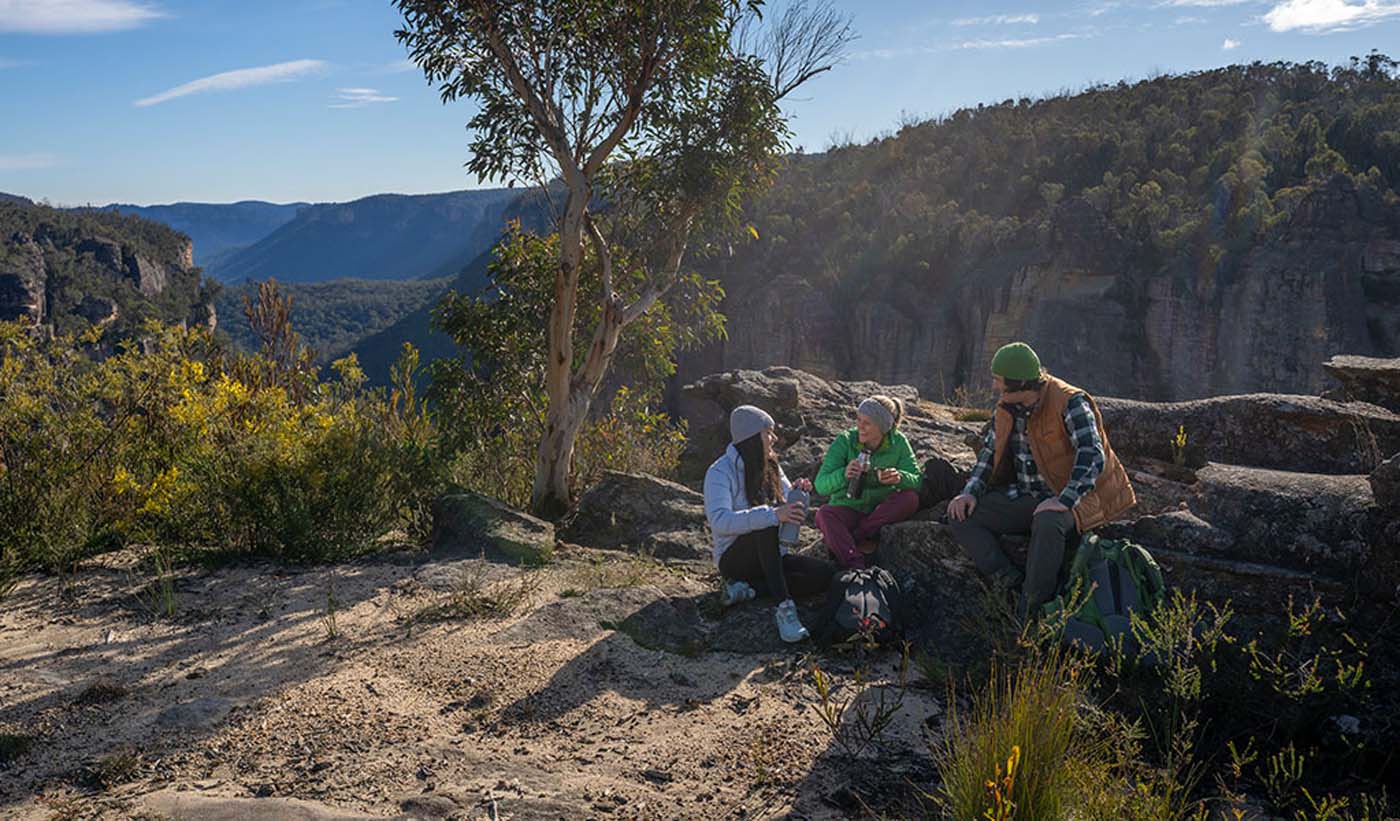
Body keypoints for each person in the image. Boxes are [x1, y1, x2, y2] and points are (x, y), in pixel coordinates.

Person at [946, 342, 1136, 616]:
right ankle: (1009, 585)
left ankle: (1032, 609)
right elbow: (989, 453)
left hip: (1077, 498)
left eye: (999, 380)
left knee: (1048, 522)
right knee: (960, 516)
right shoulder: (1007, 405)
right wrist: (970, 492)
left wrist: (1065, 499)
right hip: (1029, 495)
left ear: (1020, 384)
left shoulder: (1070, 401)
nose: (994, 386)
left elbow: (1092, 455)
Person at [704, 405, 834, 643]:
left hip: (772, 556)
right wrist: (772, 515)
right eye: (768, 433)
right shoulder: (719, 472)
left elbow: (785, 506)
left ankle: (748, 590)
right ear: (752, 437)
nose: (773, 438)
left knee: (824, 574)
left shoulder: (771, 465)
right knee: (766, 523)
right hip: (735, 560)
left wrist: (798, 493)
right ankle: (785, 609)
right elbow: (720, 521)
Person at [813, 395, 922, 569]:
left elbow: (917, 482)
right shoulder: (845, 440)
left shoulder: (899, 442)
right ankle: (855, 565)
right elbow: (820, 485)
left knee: (910, 498)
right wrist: (843, 474)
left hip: (880, 512)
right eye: (858, 420)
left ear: (883, 426)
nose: (860, 427)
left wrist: (899, 477)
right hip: (848, 508)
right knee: (823, 514)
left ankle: (855, 537)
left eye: (867, 423)